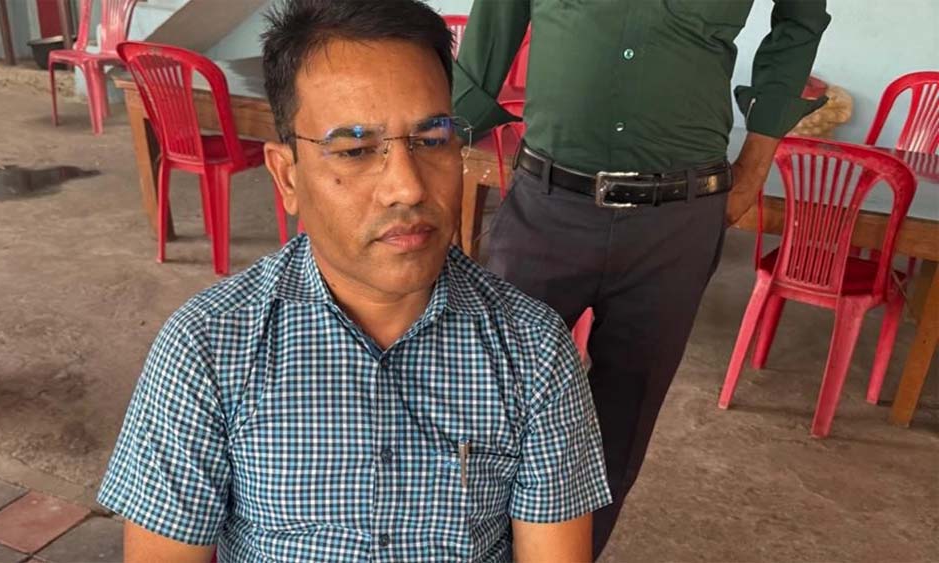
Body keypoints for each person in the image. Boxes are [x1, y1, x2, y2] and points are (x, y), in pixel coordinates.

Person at [97, 1, 610, 561]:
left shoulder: (533, 350)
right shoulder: (209, 347)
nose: (407, 188)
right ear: (287, 177)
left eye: (432, 139)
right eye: (356, 150)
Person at [453, 0, 830, 555]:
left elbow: (801, 20)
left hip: (677, 222)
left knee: (622, 424)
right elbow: (489, 35)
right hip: (545, 207)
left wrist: (756, 161)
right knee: (486, 400)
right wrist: (436, 150)